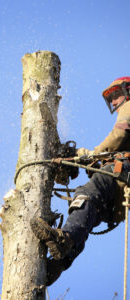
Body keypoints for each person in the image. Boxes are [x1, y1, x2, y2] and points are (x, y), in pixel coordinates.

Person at [30, 77, 130, 286]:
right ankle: (59, 262)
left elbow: (118, 135)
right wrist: (78, 156)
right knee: (88, 212)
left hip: (123, 171)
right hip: (119, 194)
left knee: (85, 195)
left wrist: (91, 156)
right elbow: (104, 153)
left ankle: (63, 241)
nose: (113, 102)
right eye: (110, 98)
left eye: (115, 95)